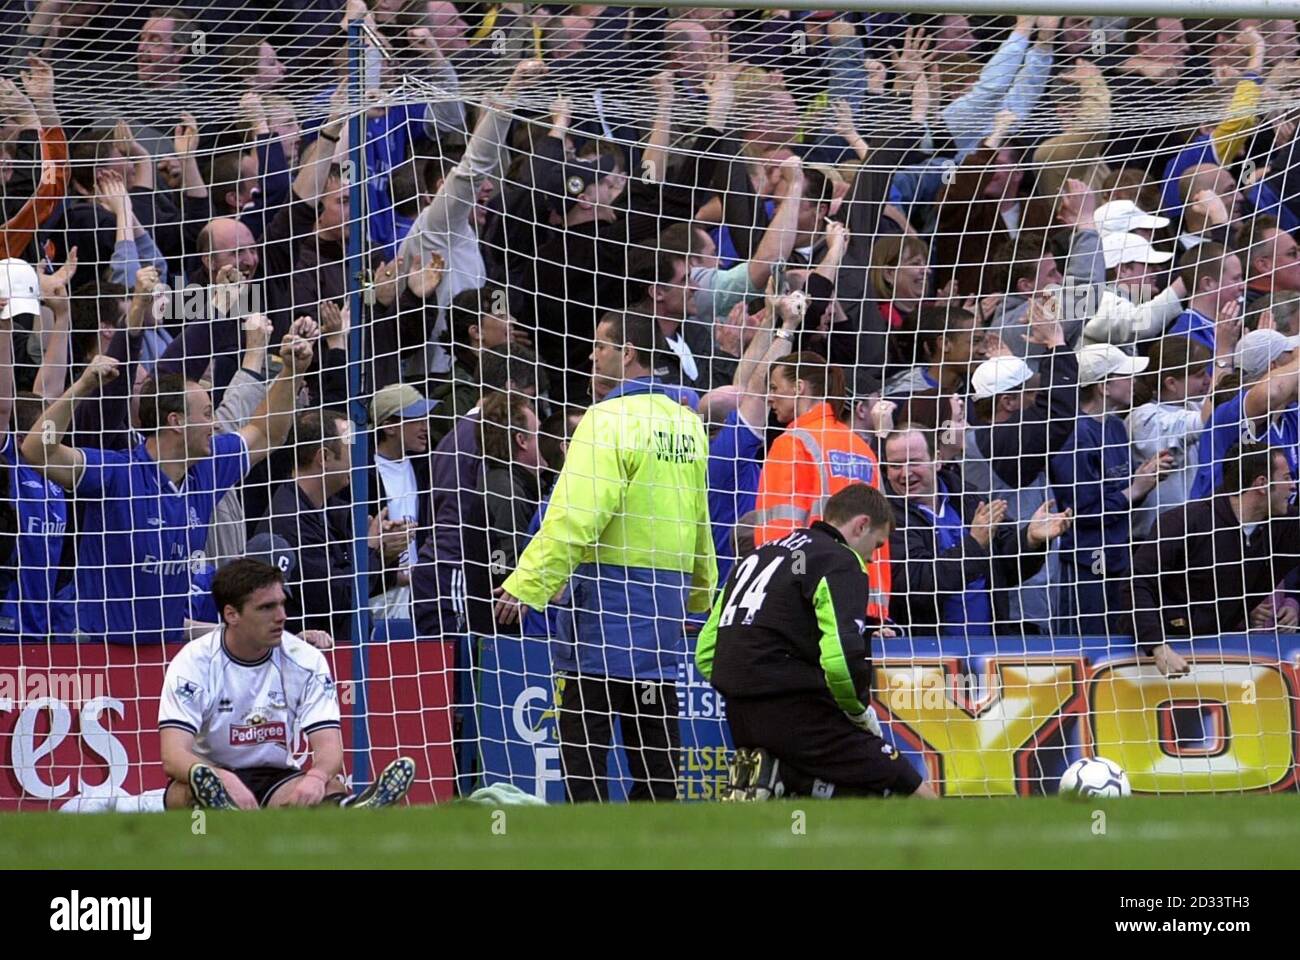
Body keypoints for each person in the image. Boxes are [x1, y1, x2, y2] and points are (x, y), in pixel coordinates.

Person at [495, 311, 716, 802]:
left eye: (600, 346)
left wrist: (526, 581)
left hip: (605, 608)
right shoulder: (687, 424)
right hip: (662, 609)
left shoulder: (606, 420)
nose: (592, 355)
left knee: (584, 752)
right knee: (655, 750)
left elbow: (576, 515)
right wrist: (699, 593)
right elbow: (700, 518)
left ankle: (589, 850)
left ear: (627, 353)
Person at [20, 329, 314, 645]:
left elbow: (267, 432)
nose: (215, 424)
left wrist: (290, 372)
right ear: (175, 422)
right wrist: (81, 387)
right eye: (205, 414)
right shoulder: (117, 472)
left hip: (163, 651)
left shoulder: (208, 467)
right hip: (95, 647)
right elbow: (38, 450)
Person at [696, 482, 935, 799]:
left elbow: (705, 652)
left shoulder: (757, 556)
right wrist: (860, 714)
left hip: (740, 715)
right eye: (876, 546)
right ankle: (957, 839)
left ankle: (782, 777)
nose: (874, 559)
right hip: (796, 710)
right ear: (861, 524)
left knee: (818, 787)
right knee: (895, 778)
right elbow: (841, 659)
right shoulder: (839, 561)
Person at [159, 558, 415, 810]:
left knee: (328, 789)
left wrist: (316, 778)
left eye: (282, 604)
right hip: (210, 772)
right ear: (231, 614)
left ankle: (353, 810)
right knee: (189, 793)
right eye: (267, 607)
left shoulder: (306, 659)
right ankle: (203, 832)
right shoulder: (194, 661)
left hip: (275, 778)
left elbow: (329, 747)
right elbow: (173, 755)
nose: (281, 616)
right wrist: (222, 779)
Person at [1123, 442, 1300, 676]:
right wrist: (1157, 646)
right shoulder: (1184, 523)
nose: (1293, 486)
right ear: (1262, 484)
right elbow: (1135, 582)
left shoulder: (1285, 524)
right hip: (1164, 653)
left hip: (1228, 652)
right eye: (1287, 477)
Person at [882, 425, 1073, 635]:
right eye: (895, 465)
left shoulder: (968, 498)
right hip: (928, 654)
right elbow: (916, 586)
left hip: (988, 648)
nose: (905, 473)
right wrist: (974, 544)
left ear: (937, 460)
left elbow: (1007, 570)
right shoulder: (887, 518)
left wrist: (1029, 540)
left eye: (914, 462)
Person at [753, 351, 890, 620]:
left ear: (799, 387)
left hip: (810, 599)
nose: (769, 397)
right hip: (861, 601)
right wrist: (877, 610)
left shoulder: (792, 442)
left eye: (774, 387)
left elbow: (783, 533)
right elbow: (881, 534)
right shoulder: (861, 447)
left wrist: (789, 591)